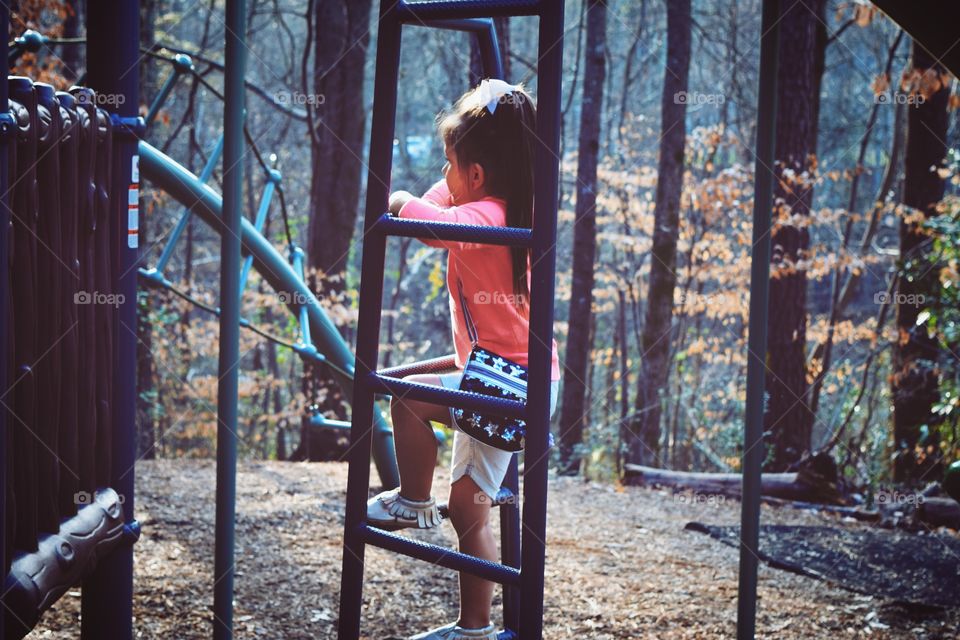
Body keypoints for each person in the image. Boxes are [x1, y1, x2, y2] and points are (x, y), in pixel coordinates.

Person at [366, 79, 561, 640]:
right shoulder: (502, 204)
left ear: (476, 176)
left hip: (509, 383)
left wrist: (402, 200)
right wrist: (454, 171)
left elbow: (427, 222)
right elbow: (445, 198)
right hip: (499, 375)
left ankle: (411, 501)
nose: (444, 177)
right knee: (470, 513)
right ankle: (474, 629)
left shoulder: (489, 221)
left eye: (451, 165)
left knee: (406, 401)